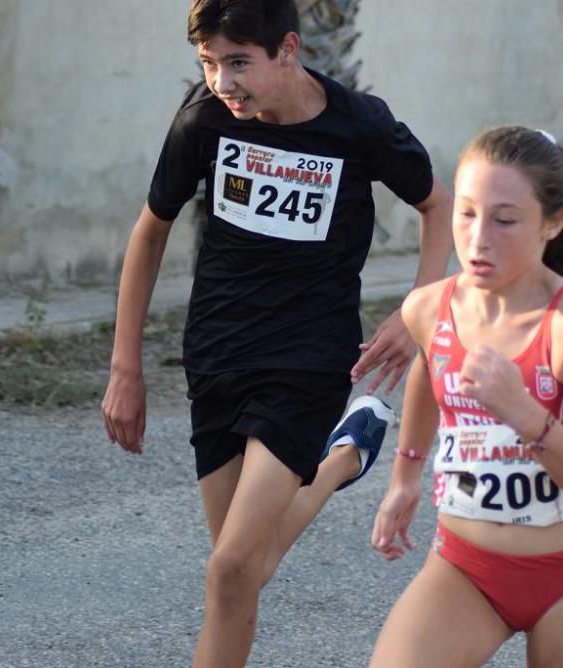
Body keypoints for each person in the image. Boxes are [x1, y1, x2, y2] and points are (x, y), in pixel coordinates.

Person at [100, 1, 453, 666]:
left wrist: (415, 312)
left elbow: (437, 205)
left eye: (238, 62)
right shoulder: (205, 120)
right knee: (240, 578)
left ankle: (333, 457)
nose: (222, 81)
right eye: (208, 64)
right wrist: (126, 367)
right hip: (217, 358)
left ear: (287, 50)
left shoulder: (358, 125)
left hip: (307, 361)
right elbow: (150, 231)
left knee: (230, 567)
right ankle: (343, 457)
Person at [369, 126, 563, 667]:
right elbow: (428, 368)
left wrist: (528, 417)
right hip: (465, 568)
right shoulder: (428, 308)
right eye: (466, 213)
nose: (478, 238)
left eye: (505, 219)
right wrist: (405, 476)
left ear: (551, 224)